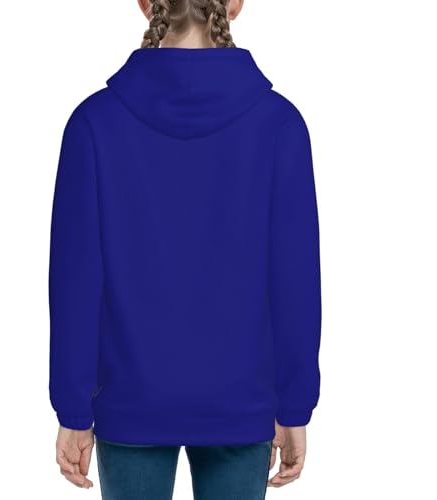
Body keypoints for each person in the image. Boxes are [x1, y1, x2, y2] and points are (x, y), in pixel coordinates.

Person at [48, 0, 322, 498]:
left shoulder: (93, 124)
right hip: (242, 403)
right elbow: (295, 282)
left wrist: (73, 409)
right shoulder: (280, 125)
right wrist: (294, 405)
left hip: (129, 401)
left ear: (145, 3)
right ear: (234, 5)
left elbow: (75, 283)